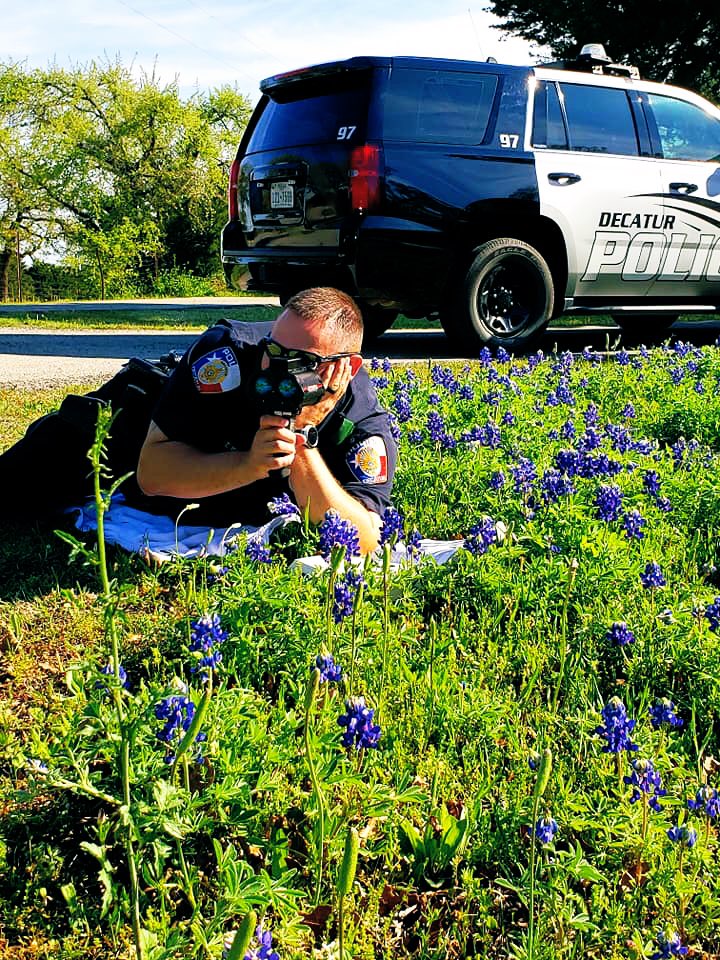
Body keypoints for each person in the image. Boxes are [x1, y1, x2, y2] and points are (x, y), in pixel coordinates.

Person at [136, 288, 397, 553]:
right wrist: (248, 465)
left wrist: (301, 437)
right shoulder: (227, 355)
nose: (278, 367)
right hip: (180, 506)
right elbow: (151, 475)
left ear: (347, 368)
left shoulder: (358, 409)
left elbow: (365, 539)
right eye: (273, 349)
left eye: (304, 361)